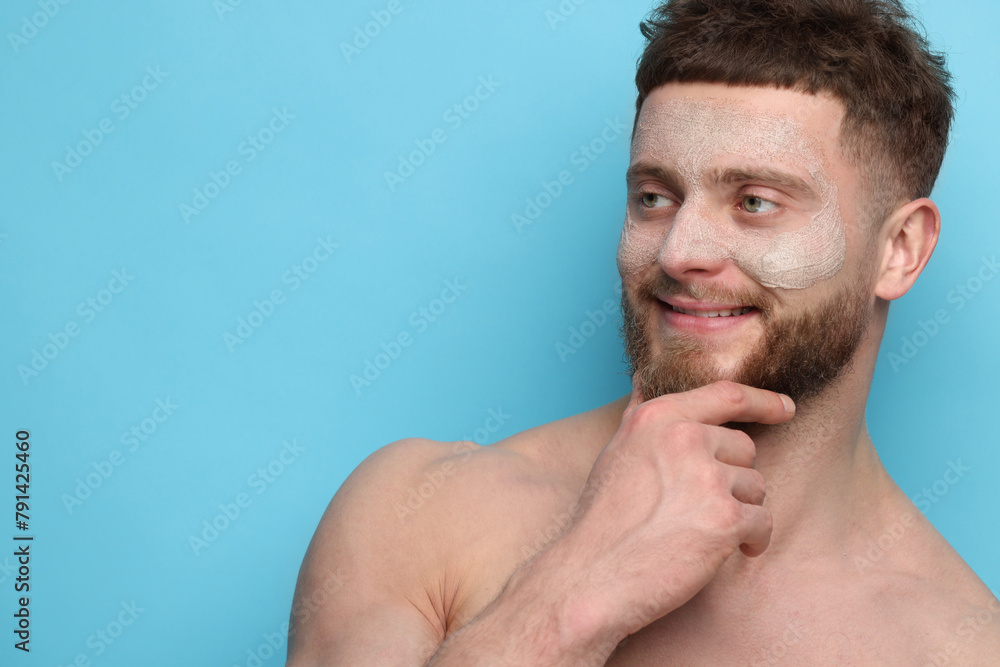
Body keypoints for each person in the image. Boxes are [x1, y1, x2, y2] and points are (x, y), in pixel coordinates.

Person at [286, 0, 1000, 664]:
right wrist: (570, 593)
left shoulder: (959, 643)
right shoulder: (421, 511)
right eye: (654, 196)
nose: (677, 250)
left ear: (900, 248)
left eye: (754, 201)